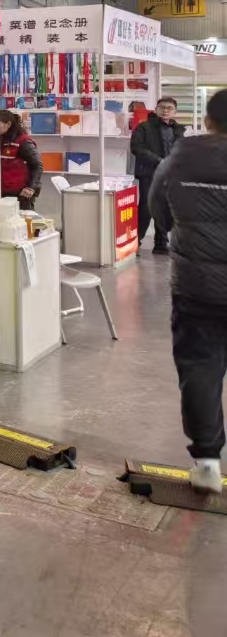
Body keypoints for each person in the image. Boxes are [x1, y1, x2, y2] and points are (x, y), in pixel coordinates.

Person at [149, 87, 227, 494]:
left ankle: (208, 463)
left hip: (196, 286)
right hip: (199, 285)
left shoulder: (180, 156)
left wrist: (185, 235)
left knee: (199, 369)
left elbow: (158, 209)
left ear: (208, 120)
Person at [132, 97, 186, 254]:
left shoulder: (178, 130)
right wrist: (159, 161)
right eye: (162, 107)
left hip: (170, 174)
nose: (165, 110)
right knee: (146, 207)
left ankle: (161, 243)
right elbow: (136, 148)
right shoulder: (144, 127)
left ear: (175, 112)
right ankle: (135, 241)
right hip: (149, 172)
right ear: (156, 109)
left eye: (169, 108)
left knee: (165, 207)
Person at [0, 109, 43, 211]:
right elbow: (2, 161)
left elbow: (37, 165)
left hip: (22, 195)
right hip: (5, 192)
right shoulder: (2, 140)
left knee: (23, 219)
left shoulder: (23, 142)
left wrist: (31, 187)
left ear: (8, 124)